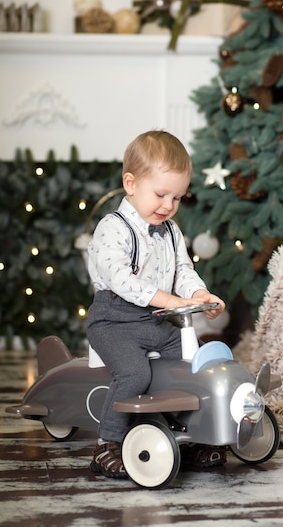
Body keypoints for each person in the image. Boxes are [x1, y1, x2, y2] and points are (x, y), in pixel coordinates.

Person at [86, 130, 226, 478]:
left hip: (156, 322)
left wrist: (198, 295)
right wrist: (166, 298)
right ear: (130, 184)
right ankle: (108, 443)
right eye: (161, 194)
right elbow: (120, 278)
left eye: (177, 197)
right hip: (113, 321)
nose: (168, 205)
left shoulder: (171, 230)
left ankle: (191, 434)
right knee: (135, 372)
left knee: (192, 366)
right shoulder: (112, 228)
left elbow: (182, 269)